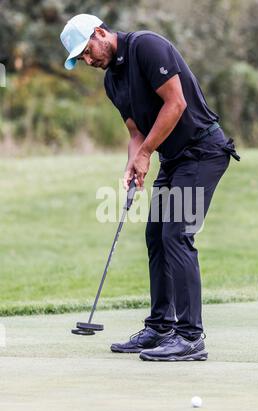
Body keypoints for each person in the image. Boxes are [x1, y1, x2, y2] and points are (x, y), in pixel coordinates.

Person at [60, 14, 240, 362]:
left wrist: (145, 155)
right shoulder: (112, 80)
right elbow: (135, 132)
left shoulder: (147, 46)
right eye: (80, 58)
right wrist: (133, 163)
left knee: (176, 234)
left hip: (203, 151)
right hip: (174, 159)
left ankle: (190, 337)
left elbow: (176, 104)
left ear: (100, 33)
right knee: (156, 235)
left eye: (86, 51)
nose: (88, 60)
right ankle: (160, 326)